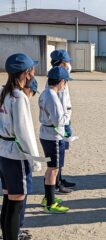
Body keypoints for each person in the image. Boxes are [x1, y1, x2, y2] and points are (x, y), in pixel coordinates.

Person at [0, 53, 39, 240]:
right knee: (16, 201)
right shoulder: (19, 97)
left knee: (9, 198)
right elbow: (24, 132)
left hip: (4, 152)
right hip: (16, 155)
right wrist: (35, 158)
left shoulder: (4, 92)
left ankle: (9, 235)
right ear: (27, 73)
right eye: (32, 68)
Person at [39, 66, 71, 213]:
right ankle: (50, 204)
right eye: (65, 82)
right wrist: (67, 116)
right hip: (53, 136)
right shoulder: (53, 96)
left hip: (46, 134)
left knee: (50, 168)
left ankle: (48, 197)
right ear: (61, 82)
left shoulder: (45, 92)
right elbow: (59, 120)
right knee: (54, 169)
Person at [49, 49, 75, 194]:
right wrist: (63, 122)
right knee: (59, 154)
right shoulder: (57, 77)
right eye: (67, 61)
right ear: (60, 63)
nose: (69, 64)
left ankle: (60, 178)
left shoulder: (61, 73)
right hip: (60, 121)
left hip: (66, 119)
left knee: (62, 151)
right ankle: (57, 183)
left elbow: (68, 68)